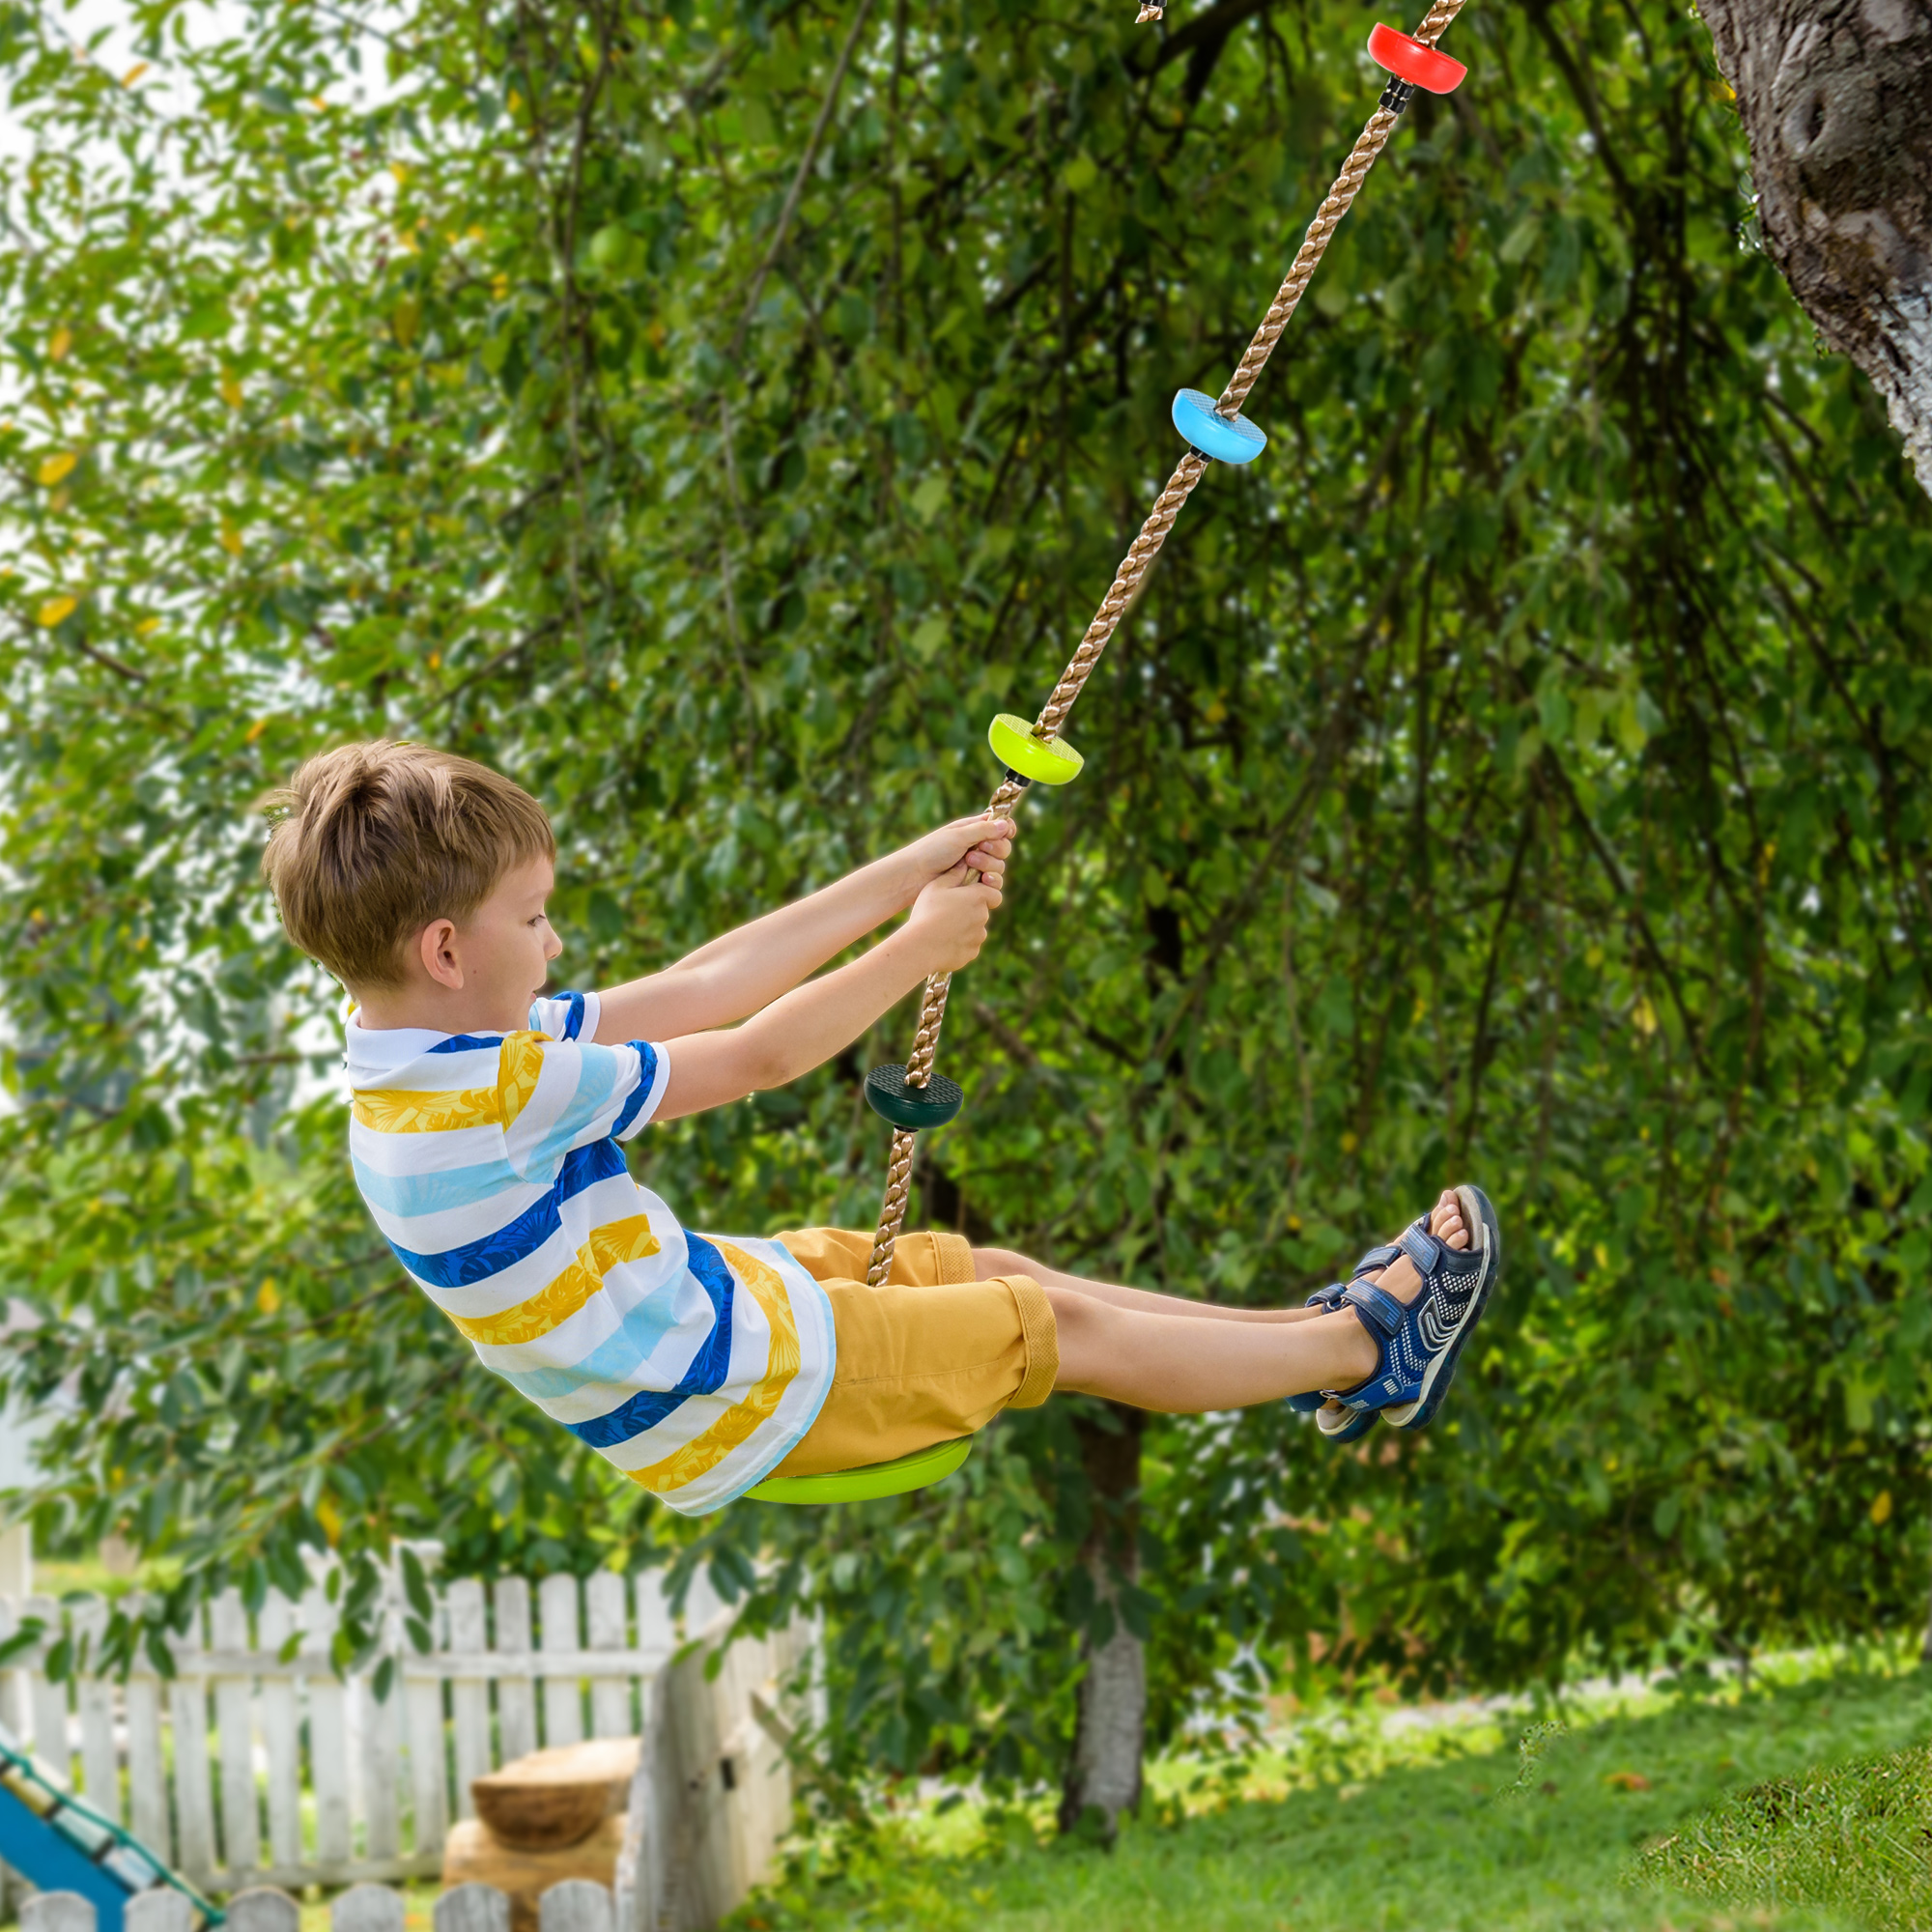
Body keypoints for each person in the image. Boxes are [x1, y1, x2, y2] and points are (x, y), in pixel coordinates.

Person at [261, 740, 1501, 1515]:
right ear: (444, 948)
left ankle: (1319, 1334)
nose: (555, 943)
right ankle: (1359, 1351)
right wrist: (916, 949)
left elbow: (706, 981)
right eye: (534, 919)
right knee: (1050, 1325)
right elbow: (756, 1051)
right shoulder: (486, 1093)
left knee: (998, 1272)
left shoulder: (436, 1053)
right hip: (731, 1387)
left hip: (711, 1311)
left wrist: (907, 868)